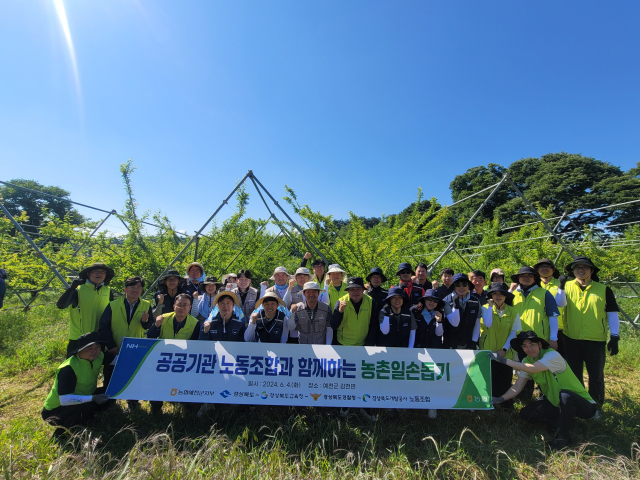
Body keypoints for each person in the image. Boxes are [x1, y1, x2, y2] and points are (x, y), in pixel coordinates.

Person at [489, 331, 597, 449]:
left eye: (532, 345)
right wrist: (500, 398)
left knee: (566, 395)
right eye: (524, 346)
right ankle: (561, 421)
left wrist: (503, 360)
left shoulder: (552, 355)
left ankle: (562, 438)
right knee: (526, 413)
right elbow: (517, 387)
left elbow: (534, 369)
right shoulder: (527, 361)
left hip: (584, 406)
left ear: (540, 344)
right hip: (556, 404)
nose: (529, 349)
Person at [555, 256, 620, 407]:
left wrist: (615, 336)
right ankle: (579, 404)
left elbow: (611, 313)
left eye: (584, 267)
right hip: (571, 338)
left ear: (591, 270)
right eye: (577, 267)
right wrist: (561, 286)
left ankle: (596, 405)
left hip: (595, 339)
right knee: (574, 374)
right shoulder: (566, 286)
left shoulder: (603, 290)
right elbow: (560, 304)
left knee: (596, 375)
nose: (581, 270)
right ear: (573, 271)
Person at [42, 332, 114, 438]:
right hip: (55, 410)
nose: (94, 350)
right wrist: (93, 398)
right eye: (89, 348)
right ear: (79, 351)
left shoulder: (99, 357)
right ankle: (63, 433)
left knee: (109, 394)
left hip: (85, 396)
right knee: (88, 408)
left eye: (97, 346)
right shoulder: (68, 368)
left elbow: (117, 361)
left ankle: (88, 419)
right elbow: (65, 399)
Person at [98, 276, 154, 410]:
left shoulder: (146, 305)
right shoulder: (113, 305)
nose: (135, 290)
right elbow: (103, 327)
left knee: (133, 376)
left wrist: (146, 321)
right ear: (125, 289)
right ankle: (110, 403)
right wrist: (111, 346)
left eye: (139, 287)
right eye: (132, 287)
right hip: (115, 347)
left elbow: (148, 327)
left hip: (135, 349)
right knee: (111, 376)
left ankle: (133, 402)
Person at [148, 293, 201, 414]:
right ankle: (155, 409)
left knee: (185, 385)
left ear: (189, 307)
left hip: (182, 361)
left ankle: (187, 408)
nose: (182, 308)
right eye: (179, 305)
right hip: (162, 359)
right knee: (157, 385)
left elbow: (194, 345)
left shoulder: (195, 323)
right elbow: (150, 336)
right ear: (174, 306)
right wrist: (156, 325)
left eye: (185, 305)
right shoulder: (163, 318)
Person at [57, 263, 115, 358]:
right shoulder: (78, 290)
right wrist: (72, 288)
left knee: (95, 367)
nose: (99, 274)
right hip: (79, 338)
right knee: (74, 368)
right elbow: (61, 305)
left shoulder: (108, 291)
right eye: (95, 271)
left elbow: (112, 313)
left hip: (99, 337)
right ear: (88, 274)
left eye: (102, 272)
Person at [479, 282, 521, 407]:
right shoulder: (485, 308)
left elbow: (514, 333)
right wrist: (491, 307)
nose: (498, 296)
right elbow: (488, 324)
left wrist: (504, 349)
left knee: (504, 378)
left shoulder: (513, 312)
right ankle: (488, 404)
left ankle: (505, 404)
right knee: (489, 379)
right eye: (495, 293)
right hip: (487, 350)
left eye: (501, 294)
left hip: (506, 352)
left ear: (506, 296)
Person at [511, 266, 560, 351]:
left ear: (534, 278)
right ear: (518, 278)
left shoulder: (544, 293)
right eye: (523, 276)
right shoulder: (513, 295)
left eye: (530, 276)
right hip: (519, 339)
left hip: (540, 340)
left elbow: (553, 316)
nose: (526, 278)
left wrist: (553, 339)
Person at [533, 259, 565, 355]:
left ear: (553, 270)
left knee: (561, 359)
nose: (544, 269)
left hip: (560, 328)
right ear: (537, 270)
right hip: (540, 329)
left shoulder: (561, 283)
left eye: (548, 266)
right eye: (541, 267)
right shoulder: (534, 285)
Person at [442, 273, 482, 349]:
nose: (461, 287)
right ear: (454, 287)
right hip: (450, 344)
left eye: (464, 284)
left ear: (468, 286)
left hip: (469, 343)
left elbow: (477, 323)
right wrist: (456, 305)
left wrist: (473, 342)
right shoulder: (446, 301)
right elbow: (454, 323)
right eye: (457, 284)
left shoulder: (476, 301)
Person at [330, 277, 372, 347]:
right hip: (343, 344)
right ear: (348, 291)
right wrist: (340, 312)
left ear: (363, 290)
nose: (355, 292)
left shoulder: (370, 301)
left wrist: (369, 344)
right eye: (352, 289)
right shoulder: (341, 301)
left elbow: (373, 325)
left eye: (358, 289)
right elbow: (333, 325)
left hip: (363, 344)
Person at [364, 267, 389, 346]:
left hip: (383, 326)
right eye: (374, 277)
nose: (376, 279)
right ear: (370, 279)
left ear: (381, 279)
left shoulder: (387, 294)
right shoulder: (365, 294)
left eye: (378, 277)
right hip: (367, 326)